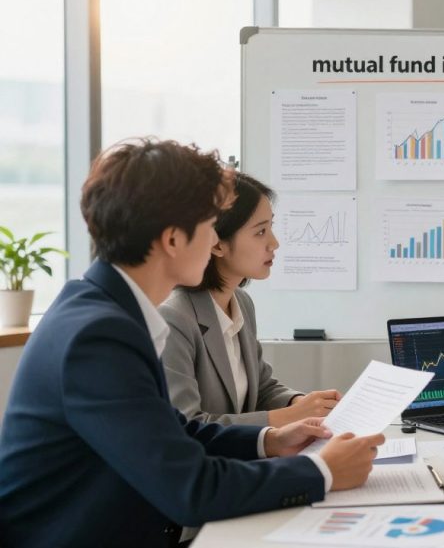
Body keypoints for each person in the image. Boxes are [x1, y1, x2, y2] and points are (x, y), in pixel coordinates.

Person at [0, 139, 384, 548]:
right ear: (172, 240)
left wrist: (270, 440)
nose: (214, 238)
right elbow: (191, 490)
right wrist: (322, 472)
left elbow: (172, 433)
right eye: (208, 224)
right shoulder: (97, 337)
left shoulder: (105, 309)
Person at [160, 172, 340, 426]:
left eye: (271, 228)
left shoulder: (241, 303)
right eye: (260, 232)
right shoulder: (174, 318)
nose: (274, 243)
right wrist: (290, 417)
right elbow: (188, 424)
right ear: (217, 244)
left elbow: (262, 388)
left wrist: (301, 403)